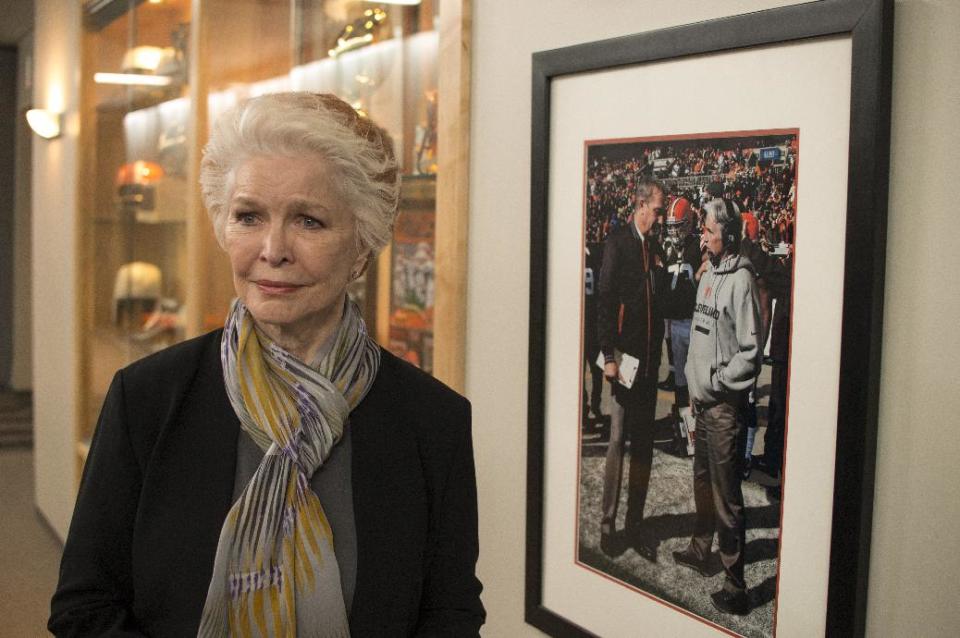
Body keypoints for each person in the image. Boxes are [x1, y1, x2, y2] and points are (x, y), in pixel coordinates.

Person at [49, 92, 485, 637]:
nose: (272, 249)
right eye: (249, 216)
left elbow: (450, 615)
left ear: (362, 247)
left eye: (309, 220)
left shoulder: (433, 420)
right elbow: (85, 606)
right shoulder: (147, 398)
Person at [673, 198, 761, 616]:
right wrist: (695, 383)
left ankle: (736, 586)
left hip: (725, 407)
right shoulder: (708, 273)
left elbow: (750, 351)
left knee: (727, 499)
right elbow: (701, 336)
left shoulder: (742, 280)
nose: (701, 235)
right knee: (702, 482)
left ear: (726, 234)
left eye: (707, 230)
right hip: (703, 404)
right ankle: (699, 549)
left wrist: (718, 383)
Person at [596, 175, 667, 561]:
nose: (659, 217)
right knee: (617, 442)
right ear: (641, 205)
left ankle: (634, 525)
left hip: (649, 364)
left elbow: (661, 302)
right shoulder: (618, 243)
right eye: (657, 210)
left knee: (643, 448)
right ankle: (608, 525)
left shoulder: (654, 247)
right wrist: (608, 354)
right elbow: (605, 300)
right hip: (623, 361)